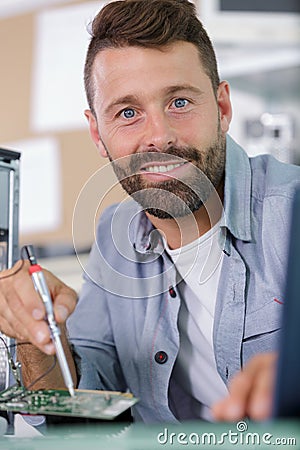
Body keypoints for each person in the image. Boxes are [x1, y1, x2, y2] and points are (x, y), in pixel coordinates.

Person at [0, 0, 299, 424]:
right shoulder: (113, 236)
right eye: (127, 113)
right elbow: (82, 408)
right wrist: (35, 334)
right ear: (98, 135)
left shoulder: (291, 213)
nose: (158, 136)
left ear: (223, 108)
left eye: (179, 102)